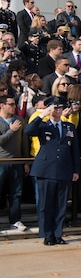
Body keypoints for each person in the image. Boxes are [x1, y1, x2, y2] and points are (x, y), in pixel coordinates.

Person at [25, 96, 80, 245]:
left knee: (61, 205)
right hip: (46, 169)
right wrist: (42, 114)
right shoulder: (43, 125)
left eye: (60, 108)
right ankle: (47, 234)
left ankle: (58, 233)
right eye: (54, 108)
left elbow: (74, 150)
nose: (57, 111)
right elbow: (28, 131)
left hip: (64, 169)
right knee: (46, 204)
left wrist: (76, 170)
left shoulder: (69, 127)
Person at [0, 94, 27, 230]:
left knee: (16, 193)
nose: (14, 107)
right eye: (10, 104)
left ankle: (15, 220)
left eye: (14, 104)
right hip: (1, 162)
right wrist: (11, 131)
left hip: (17, 161)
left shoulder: (20, 120)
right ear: (2, 105)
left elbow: (24, 143)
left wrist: (26, 161)